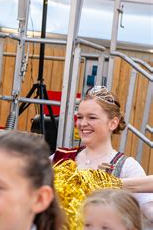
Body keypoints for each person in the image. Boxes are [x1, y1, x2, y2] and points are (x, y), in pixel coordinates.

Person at [52, 85, 153, 220]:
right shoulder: (60, 157)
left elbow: (149, 210)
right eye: (80, 117)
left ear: (113, 123)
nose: (83, 123)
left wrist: (115, 184)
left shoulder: (126, 166)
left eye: (92, 118)